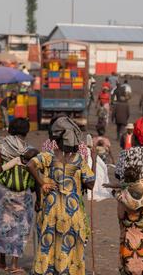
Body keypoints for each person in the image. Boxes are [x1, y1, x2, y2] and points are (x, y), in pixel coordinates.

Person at [28, 116, 95, 275]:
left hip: (51, 210)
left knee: (48, 245)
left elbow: (30, 165)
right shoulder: (78, 160)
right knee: (71, 247)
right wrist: (94, 161)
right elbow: (90, 184)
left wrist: (42, 183)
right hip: (73, 212)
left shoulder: (48, 156)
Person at [114, 118, 143, 274]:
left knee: (127, 240)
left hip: (127, 208)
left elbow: (118, 176)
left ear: (134, 136)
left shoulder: (124, 155)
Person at [0, 118, 35, 274]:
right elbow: (35, 173)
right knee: (21, 226)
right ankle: (14, 265)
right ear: (26, 131)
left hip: (5, 193)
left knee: (3, 225)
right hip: (24, 194)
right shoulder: (30, 150)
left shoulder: (2, 146)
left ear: (10, 129)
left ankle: (2, 261)